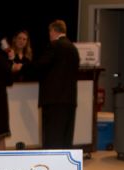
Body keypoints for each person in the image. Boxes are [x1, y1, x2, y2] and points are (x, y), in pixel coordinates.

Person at [34, 20, 80, 149]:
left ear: (54, 31)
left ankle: (51, 167)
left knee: (52, 138)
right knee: (66, 137)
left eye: (49, 31)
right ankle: (65, 166)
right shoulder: (73, 48)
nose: (49, 34)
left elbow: (40, 66)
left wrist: (22, 68)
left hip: (53, 100)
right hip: (69, 100)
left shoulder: (54, 45)